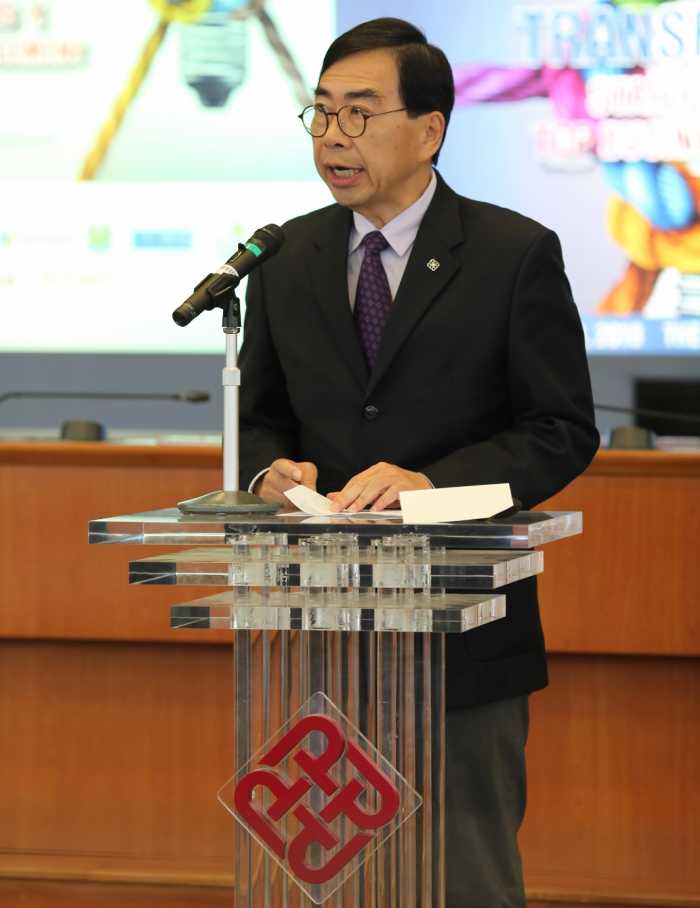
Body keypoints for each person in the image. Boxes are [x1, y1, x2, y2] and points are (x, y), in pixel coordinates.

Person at [239, 17, 599, 908]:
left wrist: (433, 484)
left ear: (429, 129)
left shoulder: (514, 255)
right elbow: (258, 421)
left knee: (463, 874)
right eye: (321, 113)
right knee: (325, 876)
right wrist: (268, 474)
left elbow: (560, 429)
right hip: (315, 624)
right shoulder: (286, 257)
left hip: (464, 631)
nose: (333, 136)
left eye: (360, 114)